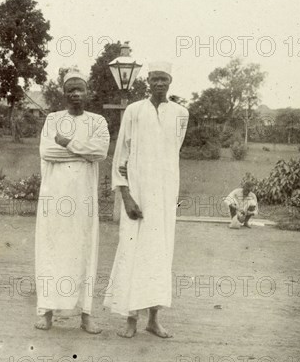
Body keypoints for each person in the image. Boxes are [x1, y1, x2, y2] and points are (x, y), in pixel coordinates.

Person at [105, 61, 189, 338]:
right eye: (155, 79)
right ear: (148, 82)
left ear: (170, 81)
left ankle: (153, 319)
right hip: (137, 194)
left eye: (164, 79)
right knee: (132, 251)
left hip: (164, 195)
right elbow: (122, 154)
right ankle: (130, 319)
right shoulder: (134, 111)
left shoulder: (180, 113)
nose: (159, 84)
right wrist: (126, 195)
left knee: (160, 254)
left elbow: (170, 152)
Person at [34, 68, 110, 334]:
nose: (76, 94)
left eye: (80, 89)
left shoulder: (97, 121)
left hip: (83, 198)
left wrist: (68, 143)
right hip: (55, 197)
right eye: (71, 89)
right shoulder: (53, 119)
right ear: (64, 93)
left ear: (87, 93)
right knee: (51, 249)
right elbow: (48, 151)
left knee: (84, 250)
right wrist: (81, 152)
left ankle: (86, 314)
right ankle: (46, 311)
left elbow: (100, 152)